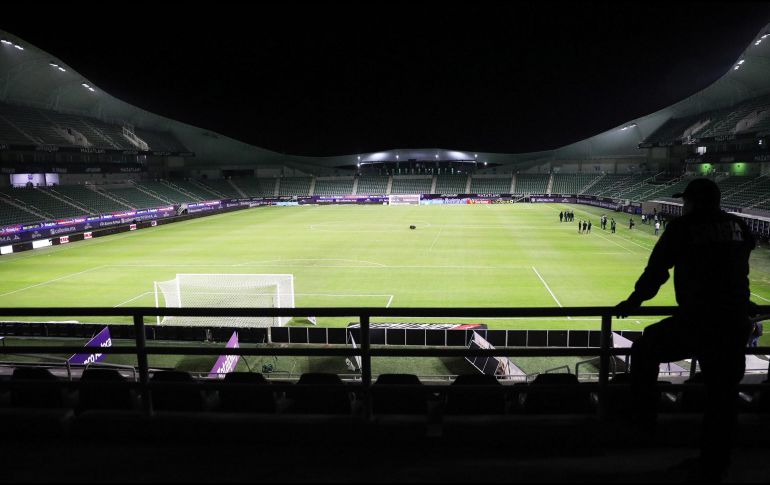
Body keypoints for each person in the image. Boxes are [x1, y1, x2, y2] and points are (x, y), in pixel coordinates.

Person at [614, 178, 756, 481]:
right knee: (723, 397)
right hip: (734, 323)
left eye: (686, 201)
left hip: (699, 320)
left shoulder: (684, 226)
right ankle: (714, 464)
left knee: (646, 347)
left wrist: (633, 302)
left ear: (693, 202)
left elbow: (657, 272)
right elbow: (740, 265)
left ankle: (643, 421)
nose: (684, 206)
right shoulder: (739, 226)